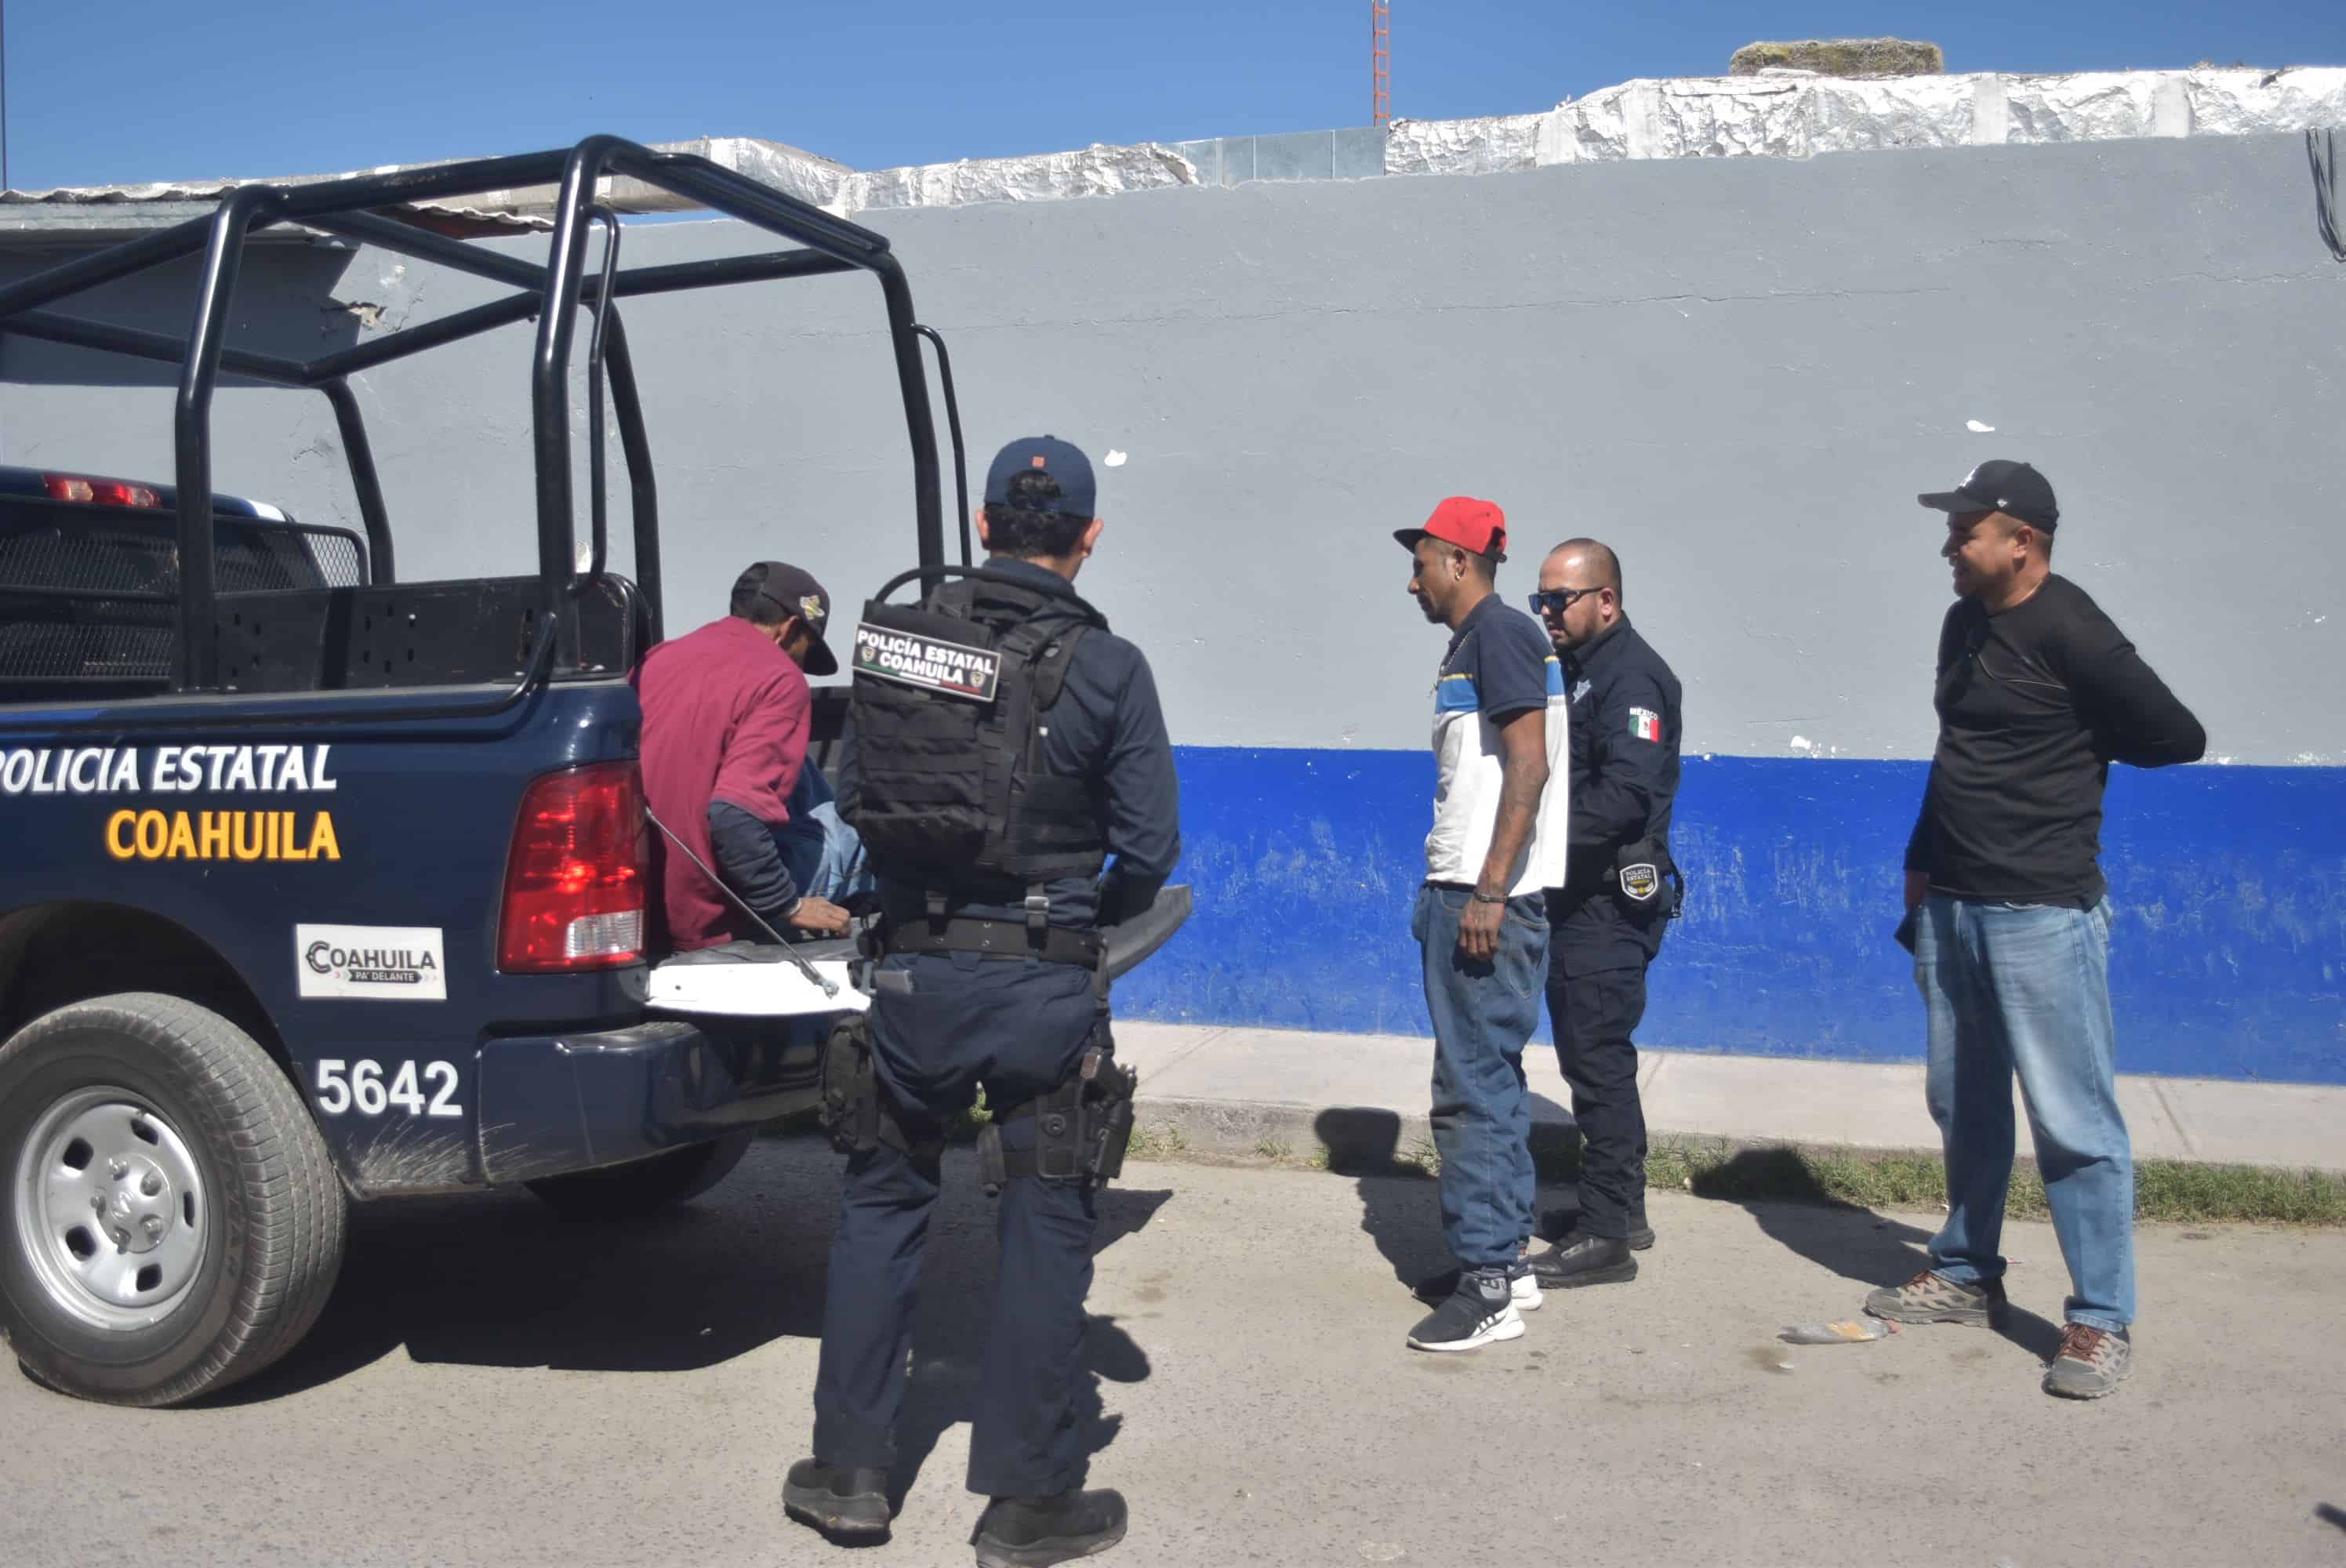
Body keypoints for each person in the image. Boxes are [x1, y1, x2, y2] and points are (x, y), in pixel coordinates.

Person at [786, 437, 1179, 1566]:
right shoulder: (1111, 668)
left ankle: (851, 1475)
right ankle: (1028, 1498)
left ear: (981, 520)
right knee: (1046, 1222)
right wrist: (1073, 920)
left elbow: (853, 795)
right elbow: (1151, 849)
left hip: (909, 974)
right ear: (1088, 537)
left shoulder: (903, 645)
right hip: (1045, 980)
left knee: (881, 1203)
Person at [1867, 460, 2205, 1400]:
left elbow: (2178, 736)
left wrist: (2082, 744)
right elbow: (1958, 750)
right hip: (1952, 904)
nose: (1948, 544)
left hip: (2042, 910)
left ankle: (2098, 1318)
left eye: (1964, 530)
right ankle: (1967, 1271)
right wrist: (1920, 867)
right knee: (1961, 1101)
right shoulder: (1963, 620)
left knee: (2073, 1122)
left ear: (2022, 540)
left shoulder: (2073, 627)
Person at [1396, 496, 1570, 1352]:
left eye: (1422, 560)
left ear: (1459, 561)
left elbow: (1529, 765)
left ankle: (1488, 1279)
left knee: (1469, 1091)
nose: (1412, 579)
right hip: (1468, 888)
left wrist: (1489, 892)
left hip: (1483, 894)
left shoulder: (1499, 634)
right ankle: (1507, 1260)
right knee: (1485, 1076)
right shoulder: (1480, 641)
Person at [1523, 539, 1680, 1290]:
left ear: (1605, 602)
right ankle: (1622, 1208)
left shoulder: (1634, 677)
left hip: (1610, 904)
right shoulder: (1584, 672)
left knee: (1598, 1061)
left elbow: (1626, 798)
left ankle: (1606, 1234)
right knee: (1592, 1056)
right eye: (1541, 599)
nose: (1548, 611)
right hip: (1578, 897)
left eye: (1561, 598)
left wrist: (1531, 835)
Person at [634, 561, 859, 950]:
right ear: (789, 629)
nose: (800, 669)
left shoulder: (658, 658)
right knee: (858, 832)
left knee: (797, 767)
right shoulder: (779, 678)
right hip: (720, 906)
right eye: (804, 654)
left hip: (648, 901)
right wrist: (785, 905)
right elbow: (732, 816)